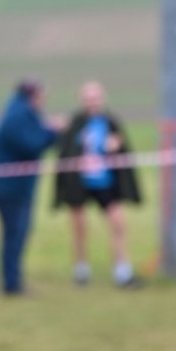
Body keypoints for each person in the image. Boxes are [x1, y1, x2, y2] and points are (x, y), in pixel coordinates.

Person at [53, 80, 143, 287]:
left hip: (105, 182)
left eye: (95, 98)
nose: (92, 102)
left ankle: (122, 271)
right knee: (79, 227)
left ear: (102, 99)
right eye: (88, 98)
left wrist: (115, 147)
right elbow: (64, 151)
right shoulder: (75, 123)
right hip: (79, 183)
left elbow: (122, 152)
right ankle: (81, 269)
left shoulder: (110, 122)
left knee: (118, 224)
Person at [0, 79, 63, 295]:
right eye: (42, 96)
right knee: (16, 231)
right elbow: (31, 145)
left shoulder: (22, 112)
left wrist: (47, 130)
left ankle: (13, 280)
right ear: (33, 96)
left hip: (14, 185)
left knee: (16, 231)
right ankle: (12, 283)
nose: (44, 100)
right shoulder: (19, 115)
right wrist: (54, 131)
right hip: (7, 186)